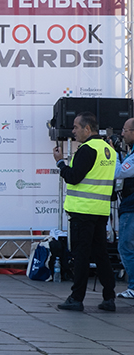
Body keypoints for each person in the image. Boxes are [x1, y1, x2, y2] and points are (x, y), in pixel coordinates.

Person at [53, 112, 117, 311]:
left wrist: (60, 163)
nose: (73, 131)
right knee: (100, 254)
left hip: (83, 211)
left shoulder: (88, 149)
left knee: (81, 254)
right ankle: (109, 296)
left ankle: (76, 297)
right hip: (100, 210)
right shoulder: (109, 150)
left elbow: (73, 177)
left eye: (76, 127)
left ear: (87, 129)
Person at [115, 118, 134, 300]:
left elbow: (120, 172)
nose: (122, 134)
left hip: (131, 206)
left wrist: (112, 154)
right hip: (129, 203)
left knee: (126, 247)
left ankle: (133, 286)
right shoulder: (131, 153)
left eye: (125, 130)